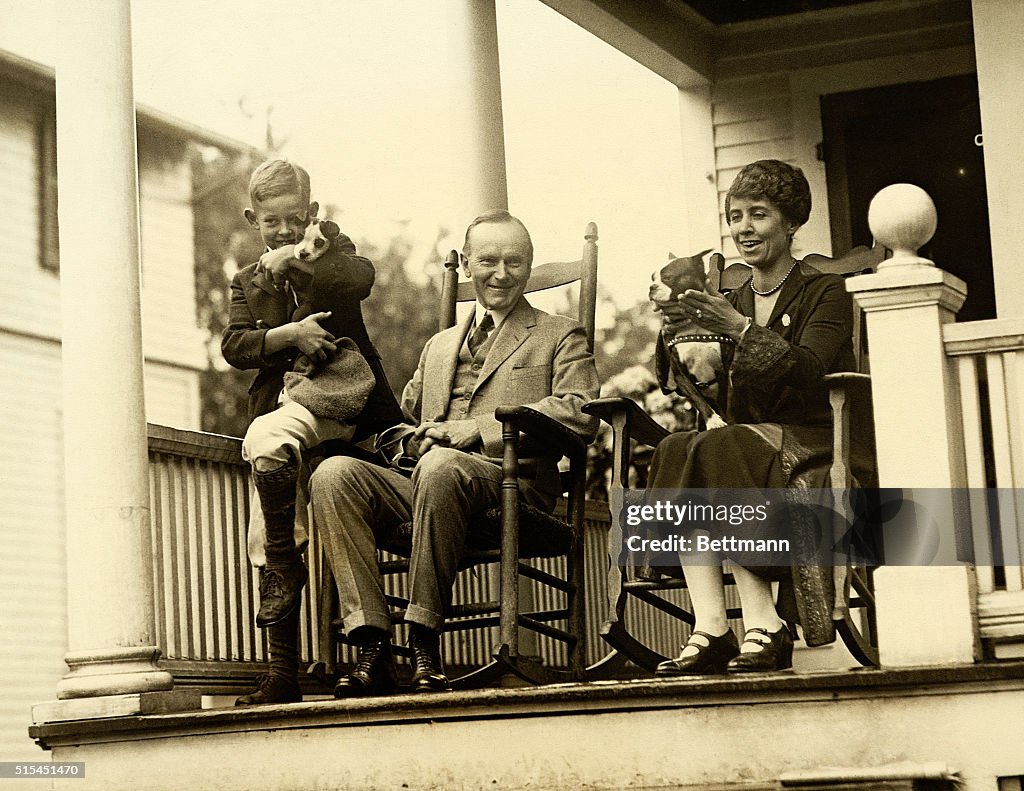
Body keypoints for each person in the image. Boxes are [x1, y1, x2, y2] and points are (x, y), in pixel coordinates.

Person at [309, 210, 600, 696]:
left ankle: (424, 639)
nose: (501, 273)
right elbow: (399, 423)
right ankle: (373, 645)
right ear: (466, 264)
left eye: (514, 262)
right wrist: (411, 441)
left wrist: (477, 430)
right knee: (334, 474)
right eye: (488, 261)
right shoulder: (439, 346)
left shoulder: (559, 334)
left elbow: (579, 412)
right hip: (428, 479)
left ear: (529, 266)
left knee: (442, 465)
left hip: (512, 485)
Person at [649, 159, 873, 676]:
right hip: (749, 439)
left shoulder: (826, 292)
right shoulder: (728, 299)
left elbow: (810, 370)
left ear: (791, 222)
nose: (744, 228)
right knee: (676, 447)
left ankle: (765, 624)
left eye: (759, 214)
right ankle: (710, 626)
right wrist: (680, 333)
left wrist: (740, 329)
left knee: (724, 447)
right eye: (735, 216)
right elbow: (702, 385)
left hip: (816, 438)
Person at [222, 159, 402, 704]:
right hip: (286, 408)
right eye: (271, 222)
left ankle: (291, 587)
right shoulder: (246, 281)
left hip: (340, 398)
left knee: (267, 440)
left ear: (313, 212)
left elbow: (357, 278)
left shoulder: (331, 249)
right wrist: (290, 335)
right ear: (253, 220)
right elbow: (234, 346)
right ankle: (282, 671)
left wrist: (297, 258)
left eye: (295, 219)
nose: (284, 230)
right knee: (269, 511)